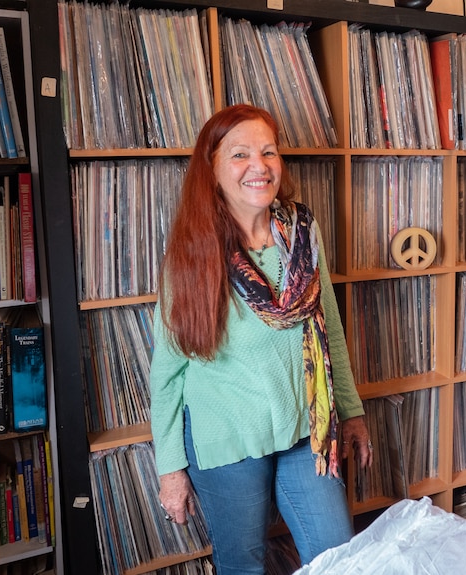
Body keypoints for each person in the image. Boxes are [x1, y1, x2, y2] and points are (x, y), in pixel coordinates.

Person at [150, 103, 373, 574]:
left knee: (338, 556)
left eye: (268, 152)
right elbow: (168, 373)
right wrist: (171, 470)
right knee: (243, 565)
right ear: (211, 169)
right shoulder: (192, 253)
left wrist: (350, 413)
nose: (259, 165)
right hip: (225, 442)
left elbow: (328, 327)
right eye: (240, 154)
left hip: (304, 431)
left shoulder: (302, 233)